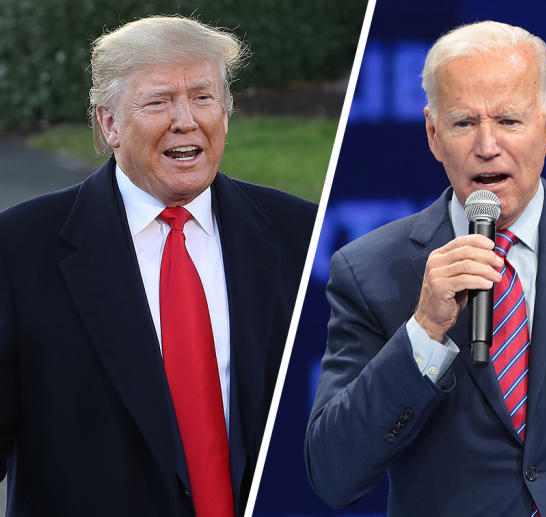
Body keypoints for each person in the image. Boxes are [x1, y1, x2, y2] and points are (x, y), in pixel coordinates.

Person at [304, 20, 546, 517]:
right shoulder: (369, 270)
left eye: (509, 121)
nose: (487, 145)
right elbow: (333, 474)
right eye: (464, 123)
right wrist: (424, 331)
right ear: (433, 133)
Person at [0, 16, 316, 517]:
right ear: (108, 124)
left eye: (203, 97)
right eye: (159, 101)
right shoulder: (19, 250)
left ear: (227, 115)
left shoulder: (300, 235)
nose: (186, 119)